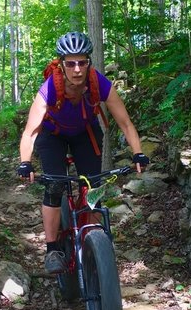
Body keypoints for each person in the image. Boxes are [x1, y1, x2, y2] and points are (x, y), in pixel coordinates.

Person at [17, 31, 150, 273]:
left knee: (93, 185)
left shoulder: (98, 83)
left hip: (85, 133)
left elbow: (126, 123)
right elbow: (29, 133)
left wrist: (138, 153)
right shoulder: (49, 89)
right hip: (53, 135)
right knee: (55, 185)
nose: (77, 69)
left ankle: (92, 241)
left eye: (82, 62)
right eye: (71, 63)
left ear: (89, 62)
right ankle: (52, 249)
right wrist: (25, 162)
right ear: (61, 64)